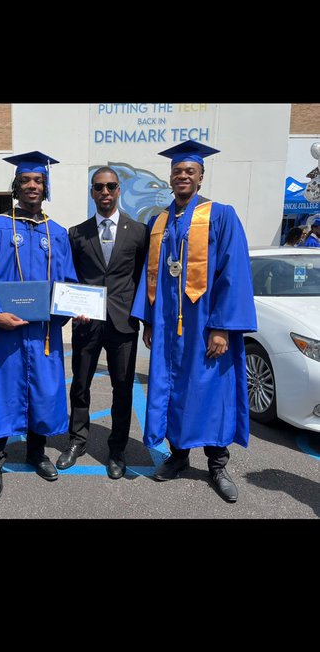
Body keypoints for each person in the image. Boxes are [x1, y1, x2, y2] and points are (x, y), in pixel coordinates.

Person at [131, 139, 257, 504]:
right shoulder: (160, 222)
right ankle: (179, 456)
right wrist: (150, 321)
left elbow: (233, 272)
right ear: (170, 179)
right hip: (169, 329)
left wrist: (222, 327)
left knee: (211, 392)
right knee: (173, 391)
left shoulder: (221, 215)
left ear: (201, 177)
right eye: (177, 172)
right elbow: (149, 276)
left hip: (205, 327)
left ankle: (217, 465)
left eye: (190, 171)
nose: (183, 176)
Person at [0, 151, 79, 502]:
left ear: (46, 188)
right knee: (1, 392)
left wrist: (76, 306)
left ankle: (36, 452)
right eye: (27, 180)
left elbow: (67, 281)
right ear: (16, 186)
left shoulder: (57, 233)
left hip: (42, 332)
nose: (33, 185)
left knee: (43, 392)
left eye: (39, 181)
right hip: (5, 330)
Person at [56, 166, 149, 479]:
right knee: (80, 385)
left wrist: (144, 318)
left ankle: (117, 449)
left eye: (110, 186)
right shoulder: (76, 232)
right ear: (92, 192)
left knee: (122, 388)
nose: (105, 192)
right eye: (99, 187)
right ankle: (77, 440)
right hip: (87, 322)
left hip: (123, 324)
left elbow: (141, 278)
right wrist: (71, 305)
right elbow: (69, 276)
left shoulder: (139, 232)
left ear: (119, 189)